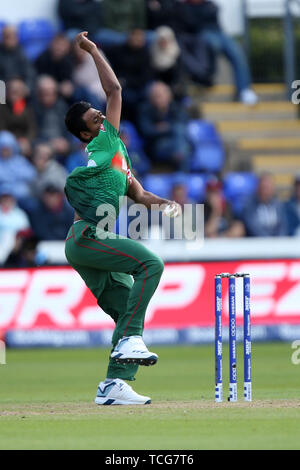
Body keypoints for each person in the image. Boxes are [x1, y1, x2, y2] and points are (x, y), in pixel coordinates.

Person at [64, 32, 180, 405]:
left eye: (100, 115)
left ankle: (114, 385)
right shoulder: (103, 141)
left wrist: (168, 206)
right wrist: (94, 50)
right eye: (95, 119)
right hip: (87, 235)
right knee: (150, 263)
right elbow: (114, 90)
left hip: (87, 241)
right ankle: (130, 341)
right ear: (87, 133)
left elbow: (141, 195)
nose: (103, 116)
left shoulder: (121, 158)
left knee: (125, 308)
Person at [173, 0, 258, 104]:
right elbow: (192, 24)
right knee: (212, 46)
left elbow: (213, 13)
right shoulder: (184, 7)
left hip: (219, 33)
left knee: (237, 52)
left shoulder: (208, 5)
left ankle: (244, 90)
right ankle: (208, 77)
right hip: (203, 34)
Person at [242, 173, 288, 237]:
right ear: (258, 187)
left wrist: (279, 240)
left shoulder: (279, 204)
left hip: (278, 243)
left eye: (269, 187)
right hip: (258, 243)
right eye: (264, 187)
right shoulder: (249, 205)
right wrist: (268, 241)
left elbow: (283, 226)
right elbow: (253, 227)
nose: (266, 190)